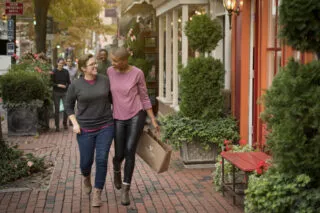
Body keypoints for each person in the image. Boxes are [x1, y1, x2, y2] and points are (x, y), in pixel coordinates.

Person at [107, 47, 159, 206]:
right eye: (113, 60)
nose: (113, 63)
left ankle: (125, 189)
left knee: (130, 150)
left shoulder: (137, 73)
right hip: (118, 116)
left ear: (125, 60)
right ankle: (117, 169)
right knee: (119, 154)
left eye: (116, 61)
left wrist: (153, 119)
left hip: (136, 114)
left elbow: (144, 97)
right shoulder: (110, 71)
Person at [65, 54, 114, 207]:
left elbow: (114, 100)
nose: (95, 66)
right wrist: (75, 123)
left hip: (106, 126)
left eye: (96, 63)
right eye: (91, 64)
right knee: (86, 162)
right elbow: (68, 105)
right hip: (84, 128)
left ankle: (97, 192)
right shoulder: (76, 85)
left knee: (101, 159)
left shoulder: (105, 81)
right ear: (83, 68)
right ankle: (86, 176)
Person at [51, 58, 70, 131]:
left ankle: (65, 123)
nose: (61, 64)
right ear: (57, 63)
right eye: (60, 63)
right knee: (57, 109)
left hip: (64, 92)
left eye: (62, 63)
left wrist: (66, 86)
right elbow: (51, 82)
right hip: (56, 92)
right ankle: (57, 126)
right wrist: (58, 85)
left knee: (66, 108)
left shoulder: (66, 72)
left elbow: (69, 82)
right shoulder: (54, 72)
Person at [64, 57, 78, 126]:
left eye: (70, 61)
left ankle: (71, 120)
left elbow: (76, 78)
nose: (69, 62)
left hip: (73, 88)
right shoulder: (64, 69)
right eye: (68, 61)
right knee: (67, 104)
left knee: (73, 104)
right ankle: (65, 122)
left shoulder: (75, 69)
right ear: (66, 62)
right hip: (65, 88)